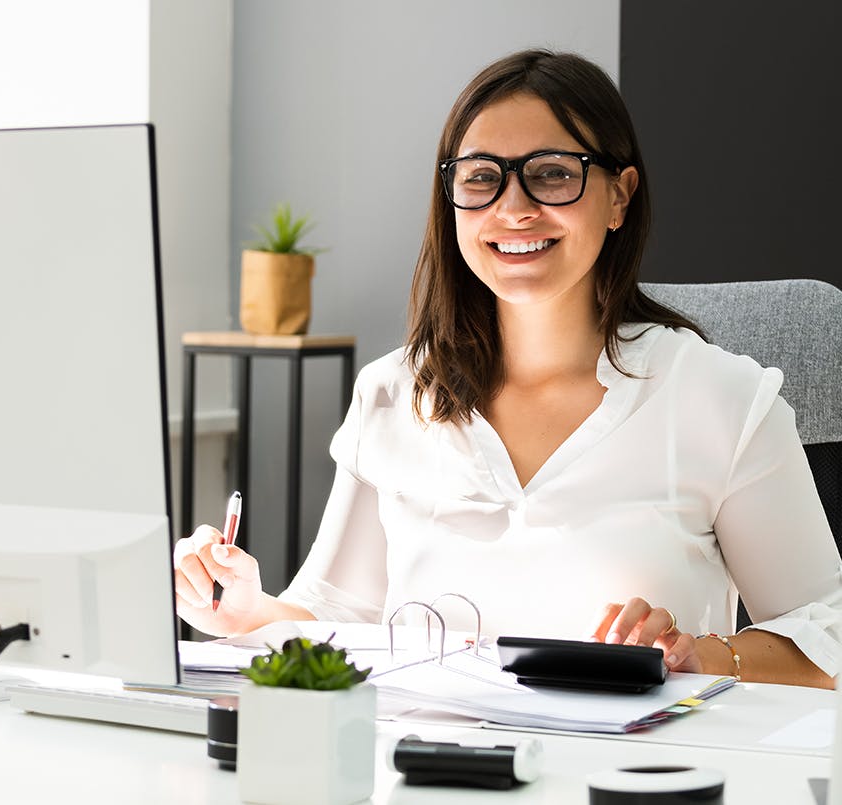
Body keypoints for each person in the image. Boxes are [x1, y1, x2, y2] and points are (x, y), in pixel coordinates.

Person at [173, 49, 841, 687]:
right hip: (424, 770)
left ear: (619, 195)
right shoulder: (392, 392)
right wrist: (245, 610)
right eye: (481, 177)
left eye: (552, 172)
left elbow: (831, 630)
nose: (513, 208)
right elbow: (337, 616)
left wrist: (702, 654)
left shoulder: (722, 398)